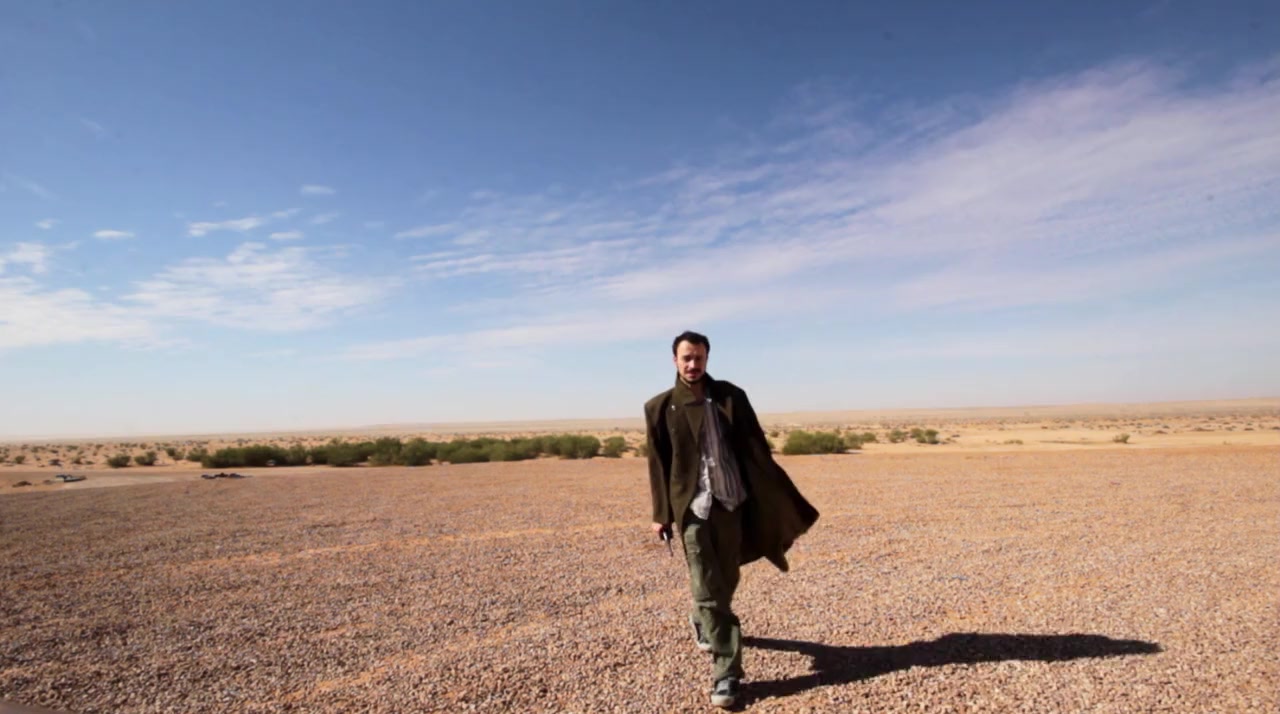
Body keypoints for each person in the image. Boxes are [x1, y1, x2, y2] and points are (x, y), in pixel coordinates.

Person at [644, 330, 820, 708]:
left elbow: (756, 448)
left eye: (699, 357)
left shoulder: (730, 396)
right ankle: (727, 672)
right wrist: (661, 515)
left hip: (731, 503)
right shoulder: (659, 407)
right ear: (674, 360)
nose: (693, 364)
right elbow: (658, 464)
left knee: (726, 578)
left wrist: (772, 495)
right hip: (692, 509)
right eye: (686, 358)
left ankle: (702, 616)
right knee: (708, 588)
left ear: (707, 359)